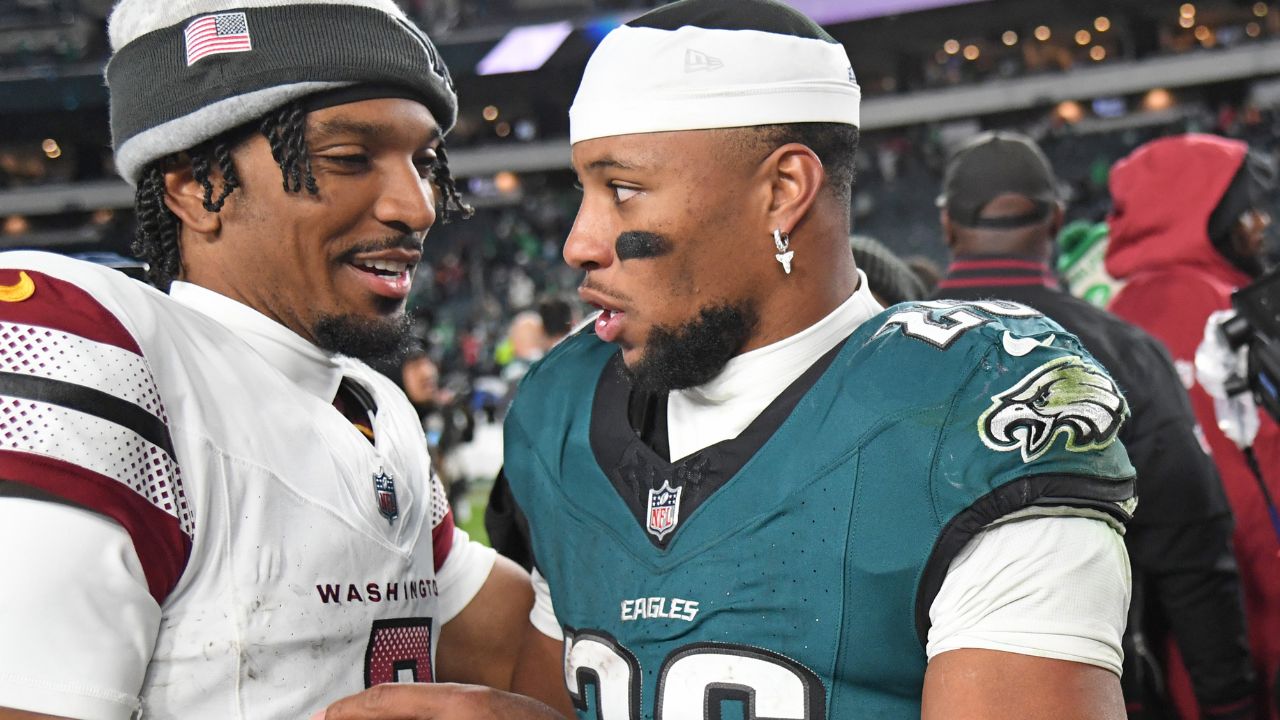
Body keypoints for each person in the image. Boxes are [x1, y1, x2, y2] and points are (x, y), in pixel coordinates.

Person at [319, 1, 1136, 718]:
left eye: (623, 189)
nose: (579, 241)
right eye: (580, 190)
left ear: (783, 190)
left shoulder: (964, 409)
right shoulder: (564, 409)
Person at [0, 0, 543, 717]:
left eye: (423, 161)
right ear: (194, 184)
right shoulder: (95, 351)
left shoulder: (371, 406)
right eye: (349, 159)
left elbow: (518, 651)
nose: (417, 208)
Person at [932, 131, 1258, 720]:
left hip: (921, 688)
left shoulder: (872, 350)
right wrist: (1229, 701)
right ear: (1057, 220)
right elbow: (1190, 544)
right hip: (1092, 687)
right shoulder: (1123, 348)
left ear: (948, 227)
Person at [1105, 133, 1280, 718]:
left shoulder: (1109, 316)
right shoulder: (1232, 311)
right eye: (1245, 211)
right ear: (1208, 215)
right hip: (1249, 602)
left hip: (1150, 616)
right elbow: (1258, 485)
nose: (1259, 225)